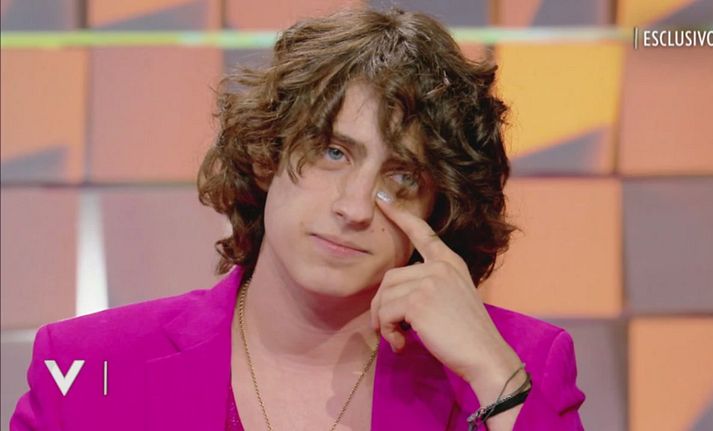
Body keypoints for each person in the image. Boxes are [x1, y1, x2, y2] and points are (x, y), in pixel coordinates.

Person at [11, 8, 585, 431]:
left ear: (441, 206)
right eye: (334, 153)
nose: (354, 208)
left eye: (403, 177)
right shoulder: (91, 365)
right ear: (267, 154)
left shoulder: (520, 363)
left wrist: (495, 378)